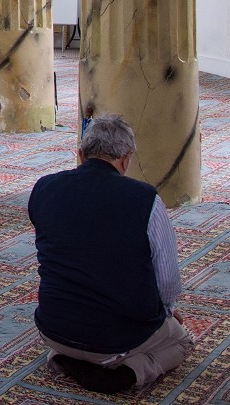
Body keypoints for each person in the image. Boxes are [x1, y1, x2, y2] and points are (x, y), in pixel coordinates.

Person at [27, 113, 194, 393]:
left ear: (80, 154)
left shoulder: (43, 188)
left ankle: (67, 357)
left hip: (53, 328)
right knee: (182, 340)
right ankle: (128, 374)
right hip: (117, 337)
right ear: (126, 159)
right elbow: (167, 280)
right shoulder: (145, 199)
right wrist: (166, 315)